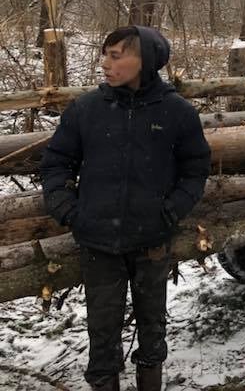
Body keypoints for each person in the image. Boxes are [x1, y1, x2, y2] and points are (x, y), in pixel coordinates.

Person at [40, 26, 211, 391]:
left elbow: (196, 169)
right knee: (102, 334)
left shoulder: (176, 112)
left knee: (152, 330)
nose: (105, 64)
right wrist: (68, 210)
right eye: (105, 55)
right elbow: (56, 163)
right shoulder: (87, 110)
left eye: (116, 56)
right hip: (98, 244)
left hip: (152, 243)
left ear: (144, 61)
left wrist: (172, 210)